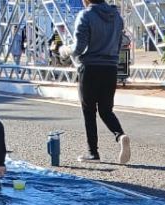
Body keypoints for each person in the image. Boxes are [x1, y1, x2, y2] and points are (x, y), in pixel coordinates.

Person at [72, 0, 131, 165]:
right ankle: (120, 135)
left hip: (90, 67)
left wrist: (64, 51)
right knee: (106, 110)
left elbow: (79, 47)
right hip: (110, 68)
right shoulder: (117, 17)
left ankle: (93, 153)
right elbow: (120, 44)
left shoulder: (86, 15)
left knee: (89, 110)